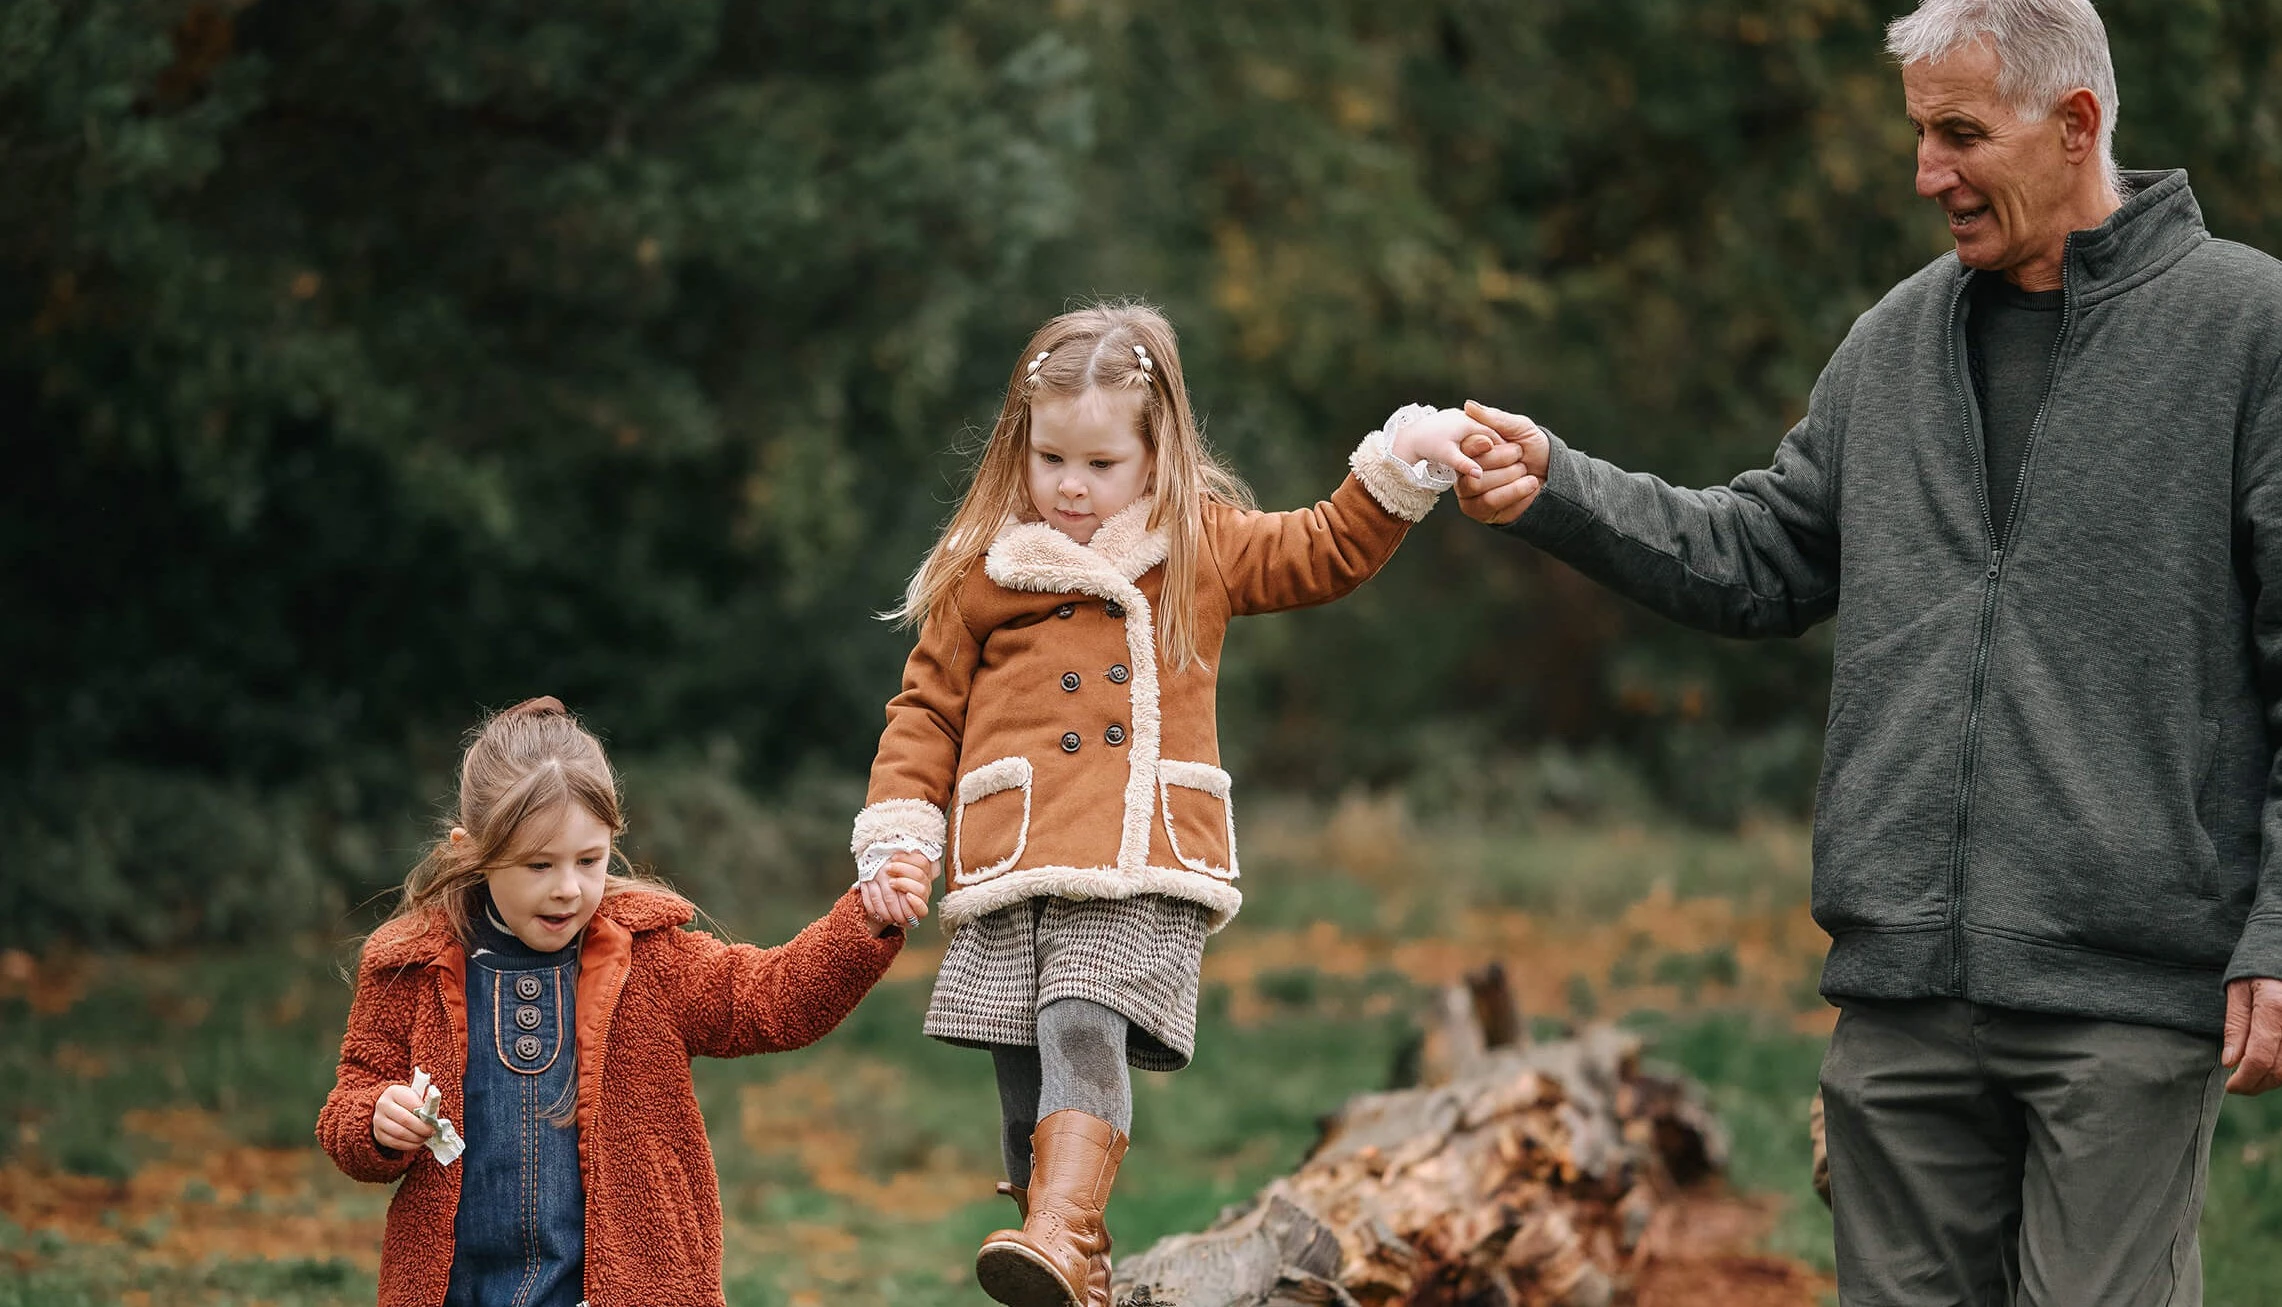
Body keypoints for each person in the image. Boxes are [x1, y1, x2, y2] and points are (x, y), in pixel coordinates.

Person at [1451, 1, 2282, 1301]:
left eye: (1960, 134)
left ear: (2074, 126)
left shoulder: (2246, 330)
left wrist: (2274, 928)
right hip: (1900, 994)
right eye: (1916, 134)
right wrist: (1557, 484)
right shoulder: (1893, 339)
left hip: (2124, 988)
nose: (1925, 173)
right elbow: (1756, 553)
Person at [851, 302, 1491, 1307]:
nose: (1069, 485)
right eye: (1049, 457)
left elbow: (1321, 547)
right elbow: (924, 709)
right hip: (1016, 856)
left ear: (1156, 451)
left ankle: (1062, 1229)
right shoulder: (984, 569)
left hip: (1139, 853)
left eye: (1099, 463)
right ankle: (1064, 1258)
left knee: (1077, 1018)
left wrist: (1398, 465)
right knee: (1024, 1065)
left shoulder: (1197, 544)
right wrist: (898, 833)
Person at [315, 696, 924, 1307]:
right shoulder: (409, 966)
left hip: (620, 1287)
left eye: (589, 861)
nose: (567, 889)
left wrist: (862, 922)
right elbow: (351, 1097)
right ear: (472, 850)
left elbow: (769, 1000)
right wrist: (376, 1120)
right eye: (537, 865)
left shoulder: (648, 956)